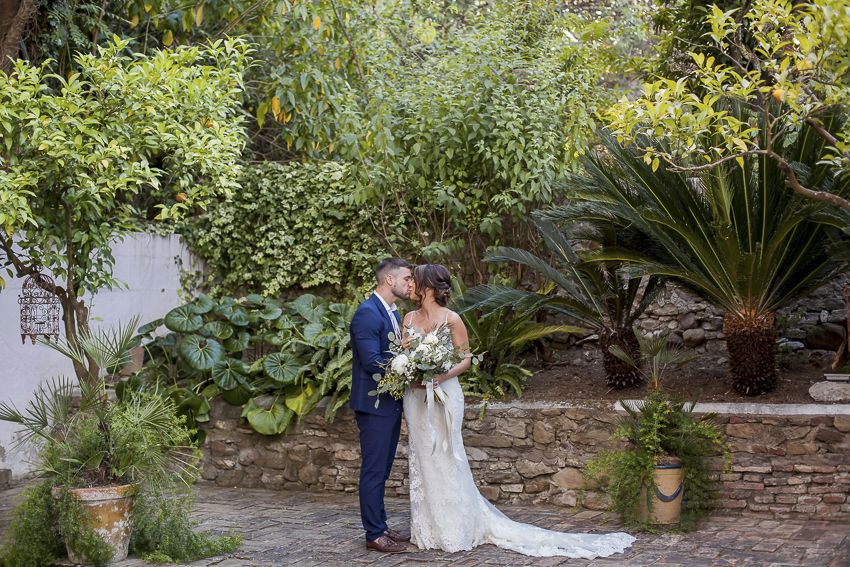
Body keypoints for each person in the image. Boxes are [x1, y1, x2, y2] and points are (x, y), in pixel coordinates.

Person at [402, 264, 636, 559]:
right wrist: (408, 369)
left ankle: (455, 528)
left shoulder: (452, 319)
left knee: (448, 457)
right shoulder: (408, 318)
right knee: (423, 458)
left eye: (415, 280)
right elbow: (404, 355)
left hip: (445, 394)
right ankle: (427, 530)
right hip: (416, 398)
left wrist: (441, 375)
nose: (410, 284)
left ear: (429, 286)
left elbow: (465, 358)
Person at [349, 257, 414, 553]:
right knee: (374, 470)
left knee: (383, 469)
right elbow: (372, 362)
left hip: (390, 402)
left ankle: (382, 524)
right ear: (389, 280)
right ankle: (374, 534)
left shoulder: (391, 311)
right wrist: (408, 364)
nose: (410, 284)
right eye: (406, 279)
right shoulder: (367, 313)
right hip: (373, 404)